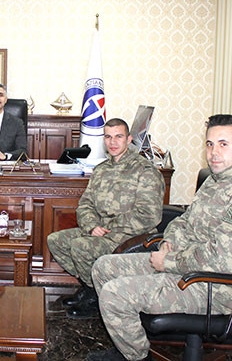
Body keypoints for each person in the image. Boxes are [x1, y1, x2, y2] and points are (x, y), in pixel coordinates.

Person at [87, 114, 232, 361]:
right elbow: (185, 220)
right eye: (210, 144)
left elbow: (223, 260)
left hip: (215, 287)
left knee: (115, 294)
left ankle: (135, 357)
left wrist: (169, 262)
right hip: (186, 266)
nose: (214, 152)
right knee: (103, 267)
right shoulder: (216, 181)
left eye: (223, 144)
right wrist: (169, 242)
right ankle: (129, 342)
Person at [47, 117, 165, 319]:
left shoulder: (145, 171)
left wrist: (107, 225)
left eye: (118, 137)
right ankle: (92, 288)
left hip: (130, 237)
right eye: (108, 137)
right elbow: (85, 204)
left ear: (129, 139)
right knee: (56, 241)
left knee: (80, 247)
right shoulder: (101, 169)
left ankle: (97, 299)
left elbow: (149, 215)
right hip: (100, 231)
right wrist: (92, 225)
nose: (113, 142)